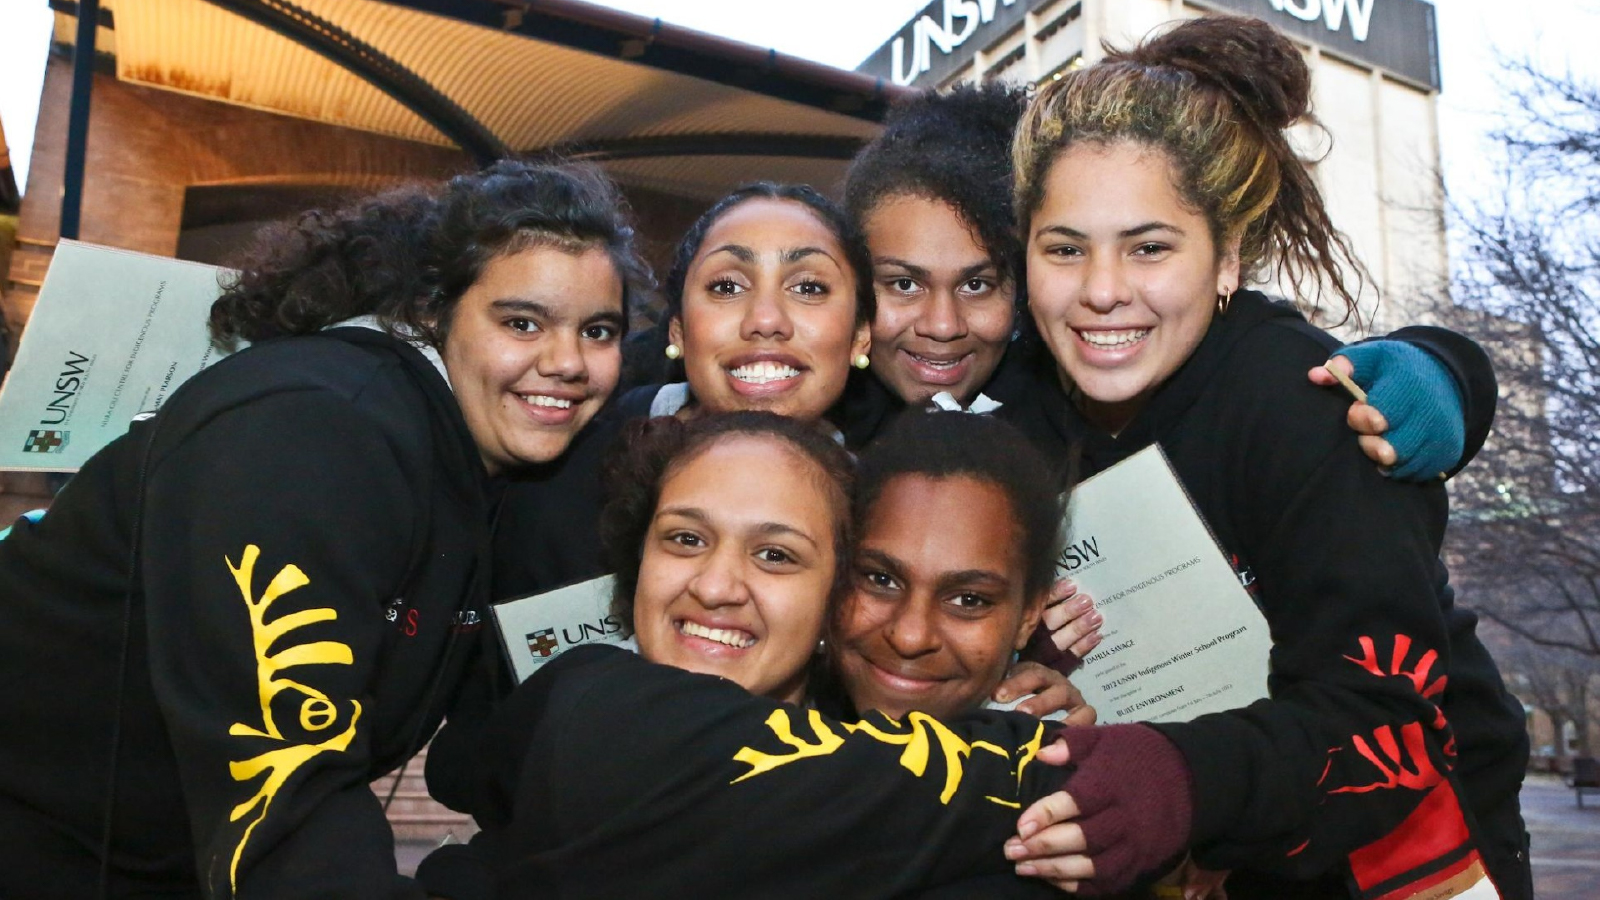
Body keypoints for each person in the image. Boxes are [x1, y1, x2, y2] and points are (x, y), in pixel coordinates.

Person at [0, 159, 650, 898]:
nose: (567, 362)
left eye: (598, 331)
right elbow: (286, 787)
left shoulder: (473, 473)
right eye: (522, 322)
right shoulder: (319, 428)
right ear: (434, 311)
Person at [994, 17, 1531, 899]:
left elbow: (1381, 722)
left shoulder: (1304, 404)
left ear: (1227, 258)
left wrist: (1183, 782)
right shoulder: (1013, 415)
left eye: (1150, 246)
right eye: (1064, 248)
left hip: (1402, 859)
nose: (1100, 290)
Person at [425, 411, 1086, 899]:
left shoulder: (1002, 839)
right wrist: (1103, 766)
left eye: (775, 555)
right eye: (685, 538)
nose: (715, 586)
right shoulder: (584, 708)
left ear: (831, 590)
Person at [839, 83, 1496, 483]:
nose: (943, 322)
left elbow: (1257, 345)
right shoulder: (831, 406)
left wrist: (1444, 374)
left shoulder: (1068, 371)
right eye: (901, 284)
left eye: (980, 284)